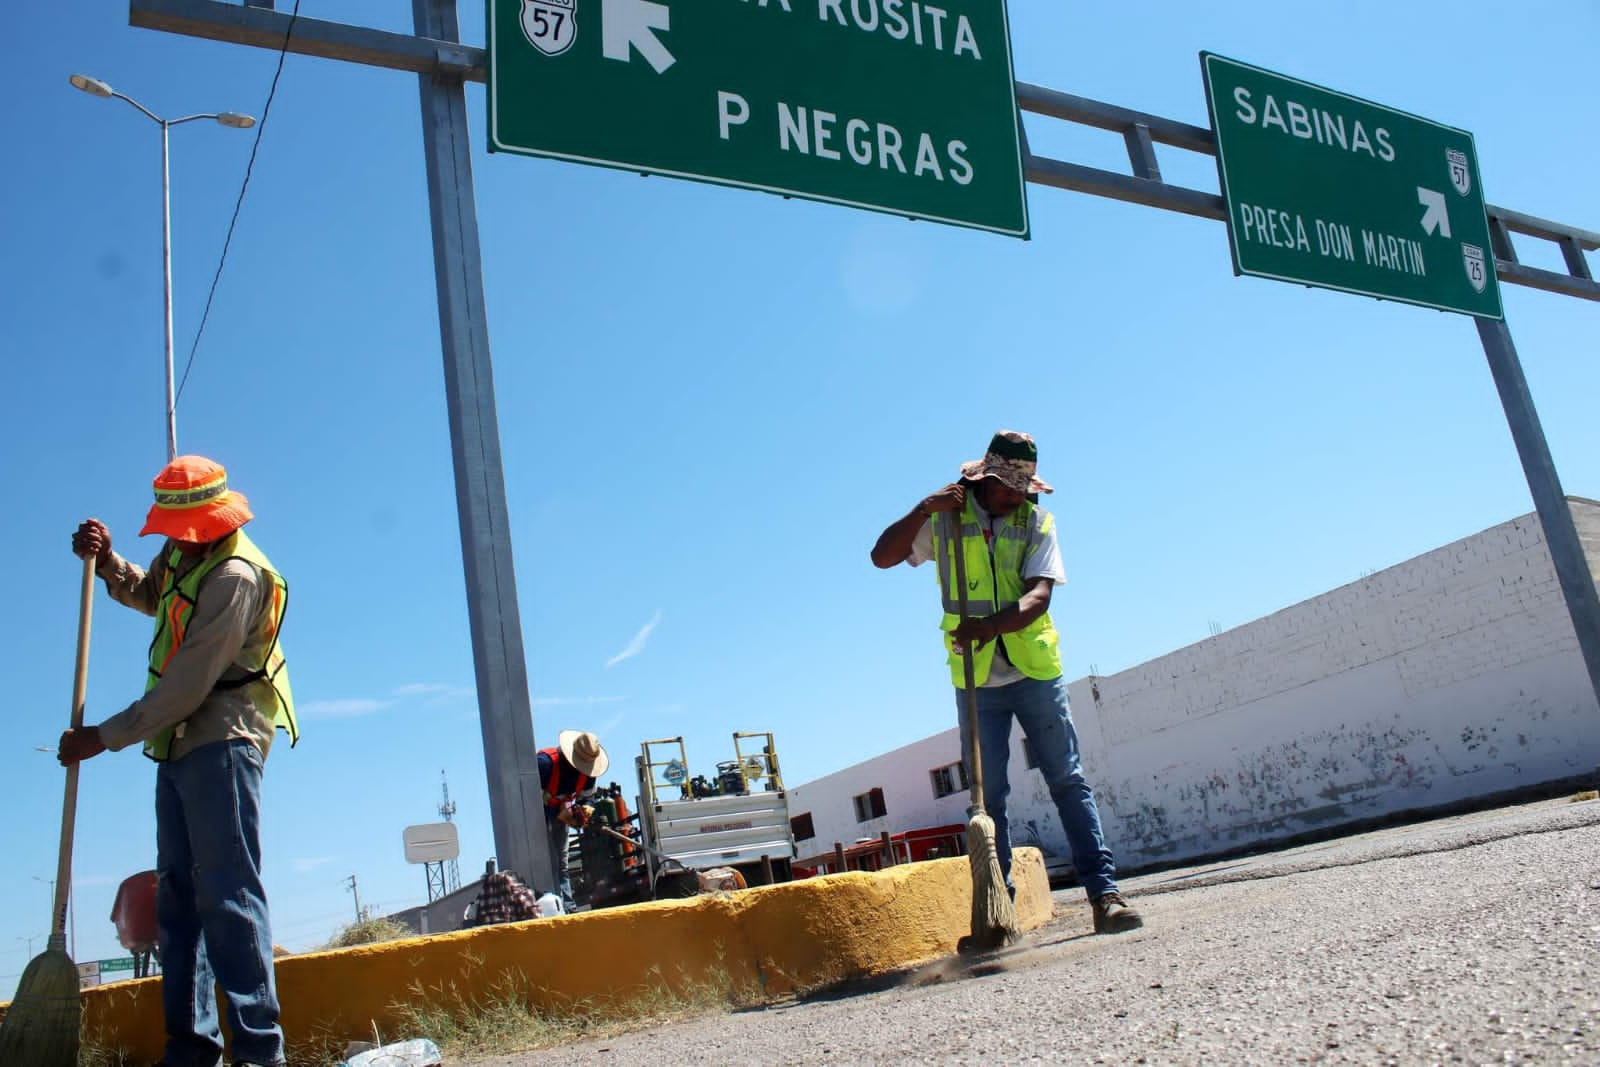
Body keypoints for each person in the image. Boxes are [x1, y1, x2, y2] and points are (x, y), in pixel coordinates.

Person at [58, 455, 299, 1067]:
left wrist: (103, 736)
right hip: (177, 740)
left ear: (210, 519)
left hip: (222, 737)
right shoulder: (185, 553)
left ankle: (258, 1052)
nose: (172, 540)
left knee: (227, 891)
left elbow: (187, 686)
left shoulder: (236, 577)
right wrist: (108, 561)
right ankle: (191, 1049)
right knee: (178, 896)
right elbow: (149, 594)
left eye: (179, 529)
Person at [871, 430, 1142, 935]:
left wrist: (990, 626)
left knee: (1067, 780)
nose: (1020, 495)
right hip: (976, 680)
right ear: (985, 480)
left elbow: (1039, 596)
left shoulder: (1036, 521)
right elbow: (882, 557)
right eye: (1010, 486)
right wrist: (921, 510)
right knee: (987, 800)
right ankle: (1000, 917)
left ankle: (1105, 896)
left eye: (1025, 486)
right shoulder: (946, 524)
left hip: (1034, 670)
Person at [538, 730, 609, 912]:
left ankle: (567, 906)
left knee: (561, 861)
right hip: (536, 816)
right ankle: (544, 903)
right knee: (542, 859)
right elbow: (523, 792)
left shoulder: (588, 774)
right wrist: (544, 800)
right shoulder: (545, 764)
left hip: (561, 815)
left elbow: (588, 797)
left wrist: (586, 807)